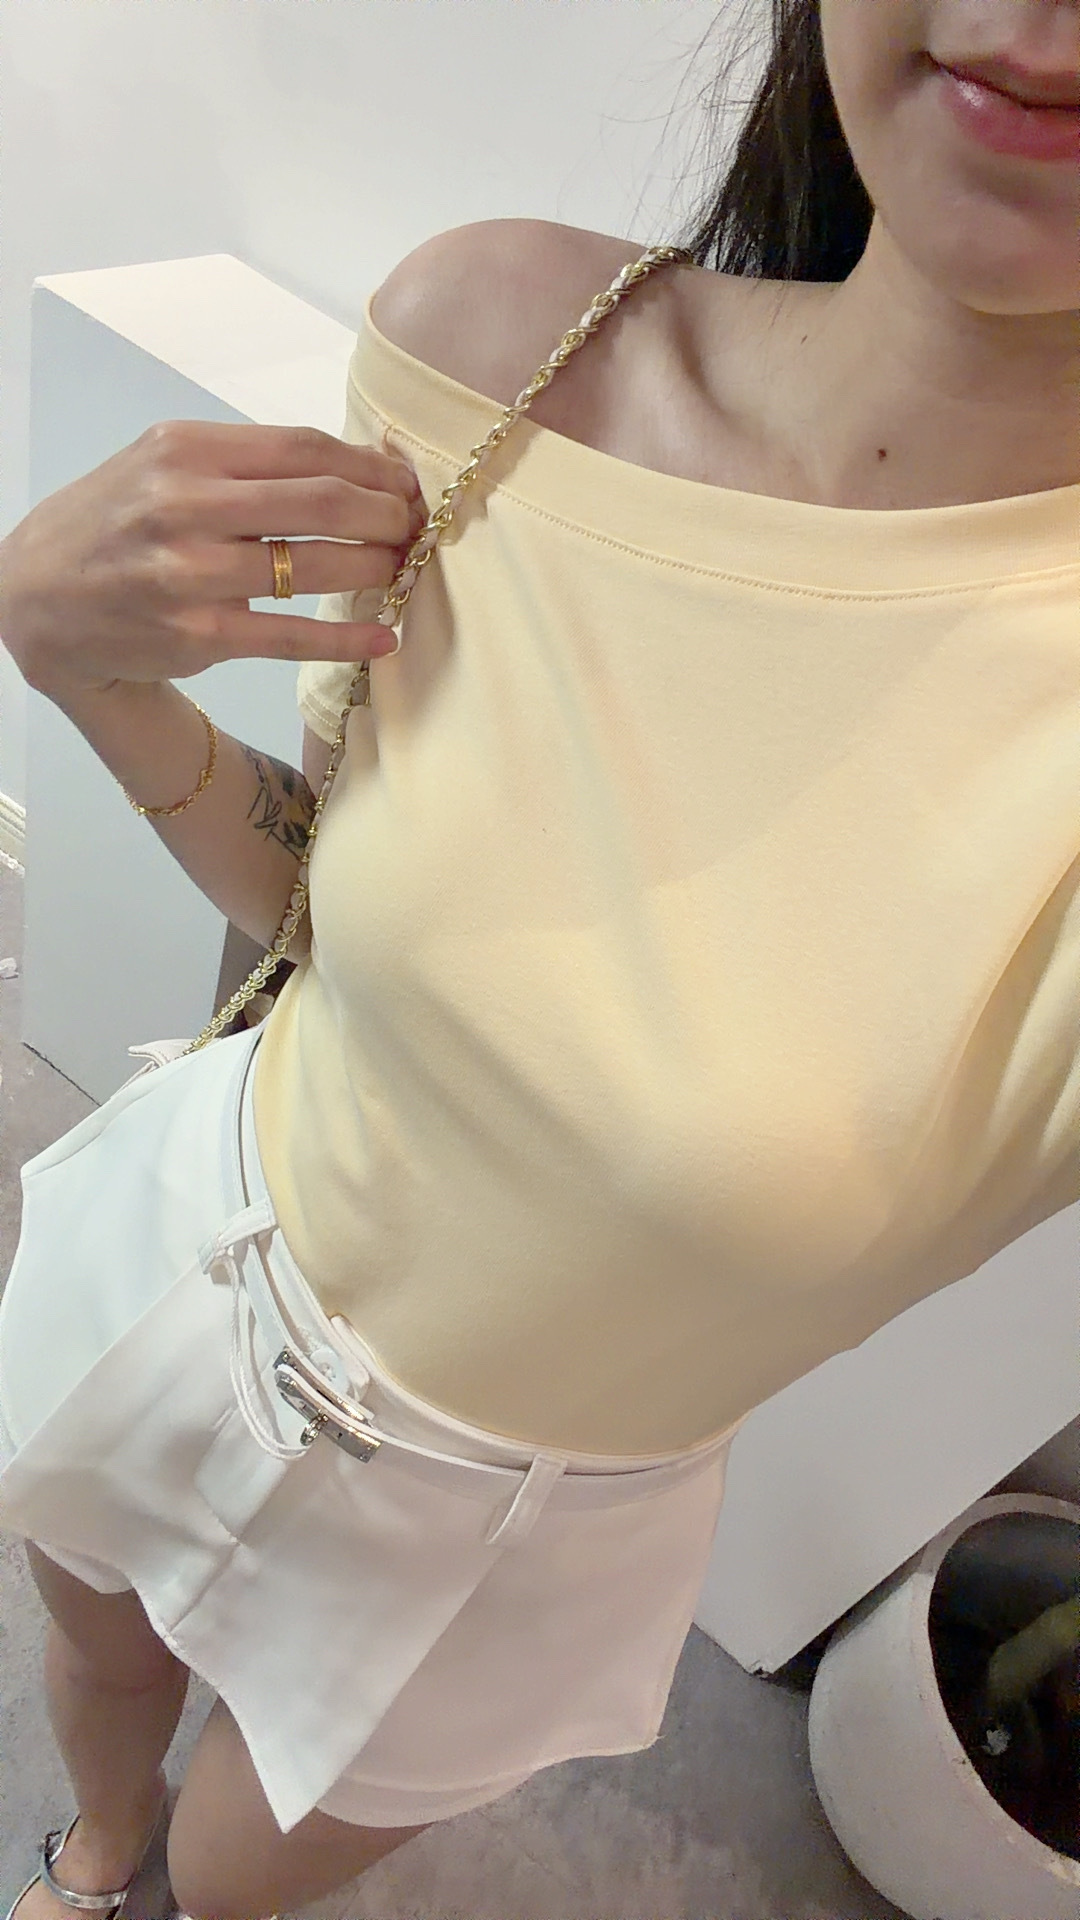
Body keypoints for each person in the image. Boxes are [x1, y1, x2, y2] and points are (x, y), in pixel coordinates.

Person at [1, 0, 1077, 1913]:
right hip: (199, 1248)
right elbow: (326, 900)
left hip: (501, 1536)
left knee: (234, 1881)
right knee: (89, 1650)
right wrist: (77, 663)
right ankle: (86, 1854)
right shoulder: (505, 350)